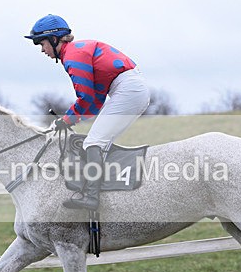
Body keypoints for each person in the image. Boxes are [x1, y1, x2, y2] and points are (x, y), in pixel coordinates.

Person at [25, 14, 150, 210]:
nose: (42, 50)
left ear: (54, 39)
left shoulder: (73, 56)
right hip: (129, 89)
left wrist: (66, 119)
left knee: (93, 142)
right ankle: (106, 193)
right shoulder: (77, 52)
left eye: (42, 44)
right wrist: (70, 120)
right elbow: (94, 102)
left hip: (128, 90)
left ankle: (92, 197)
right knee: (99, 142)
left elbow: (86, 98)